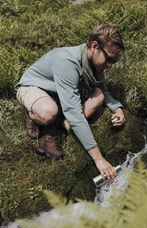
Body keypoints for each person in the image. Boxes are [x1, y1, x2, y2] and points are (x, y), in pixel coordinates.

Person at [15, 24, 125, 181]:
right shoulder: (67, 62)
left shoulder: (95, 64)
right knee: (48, 112)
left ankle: (57, 131)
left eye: (114, 61)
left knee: (98, 95)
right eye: (108, 59)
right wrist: (99, 159)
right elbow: (74, 113)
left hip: (59, 94)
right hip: (34, 87)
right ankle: (32, 115)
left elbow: (104, 91)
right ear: (94, 46)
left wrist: (118, 109)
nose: (109, 65)